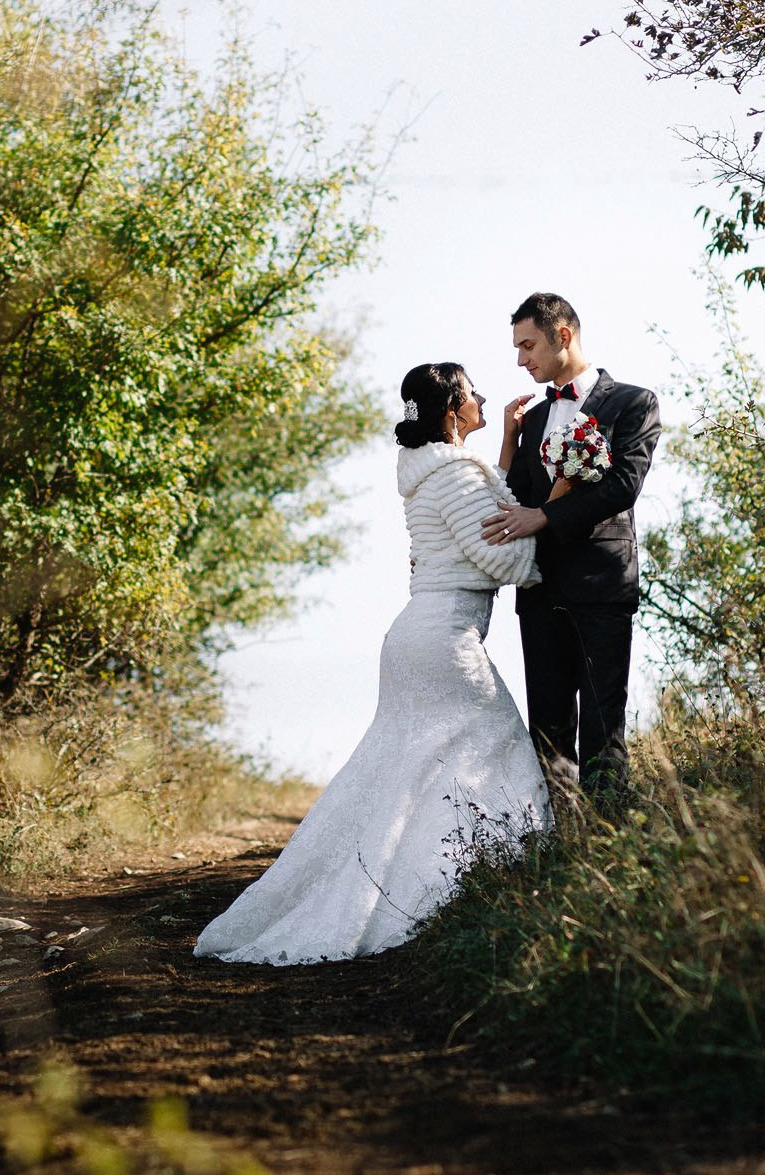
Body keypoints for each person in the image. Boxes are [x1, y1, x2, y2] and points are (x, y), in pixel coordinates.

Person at [194, 363, 549, 966]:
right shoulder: (455, 474)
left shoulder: (428, 470)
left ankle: (424, 874)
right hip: (444, 639)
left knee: (411, 772)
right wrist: (551, 531)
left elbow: (471, 523)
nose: (483, 398)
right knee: (500, 743)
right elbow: (500, 558)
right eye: (473, 392)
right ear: (452, 409)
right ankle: (462, 881)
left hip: (418, 634)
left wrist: (510, 444)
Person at [479, 294, 662, 805]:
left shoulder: (634, 402)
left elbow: (623, 485)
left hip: (602, 585)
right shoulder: (534, 419)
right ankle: (561, 837)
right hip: (539, 591)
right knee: (548, 728)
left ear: (563, 335)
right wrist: (509, 442)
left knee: (604, 725)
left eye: (528, 345)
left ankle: (609, 836)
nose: (521, 359)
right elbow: (514, 499)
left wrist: (545, 516)